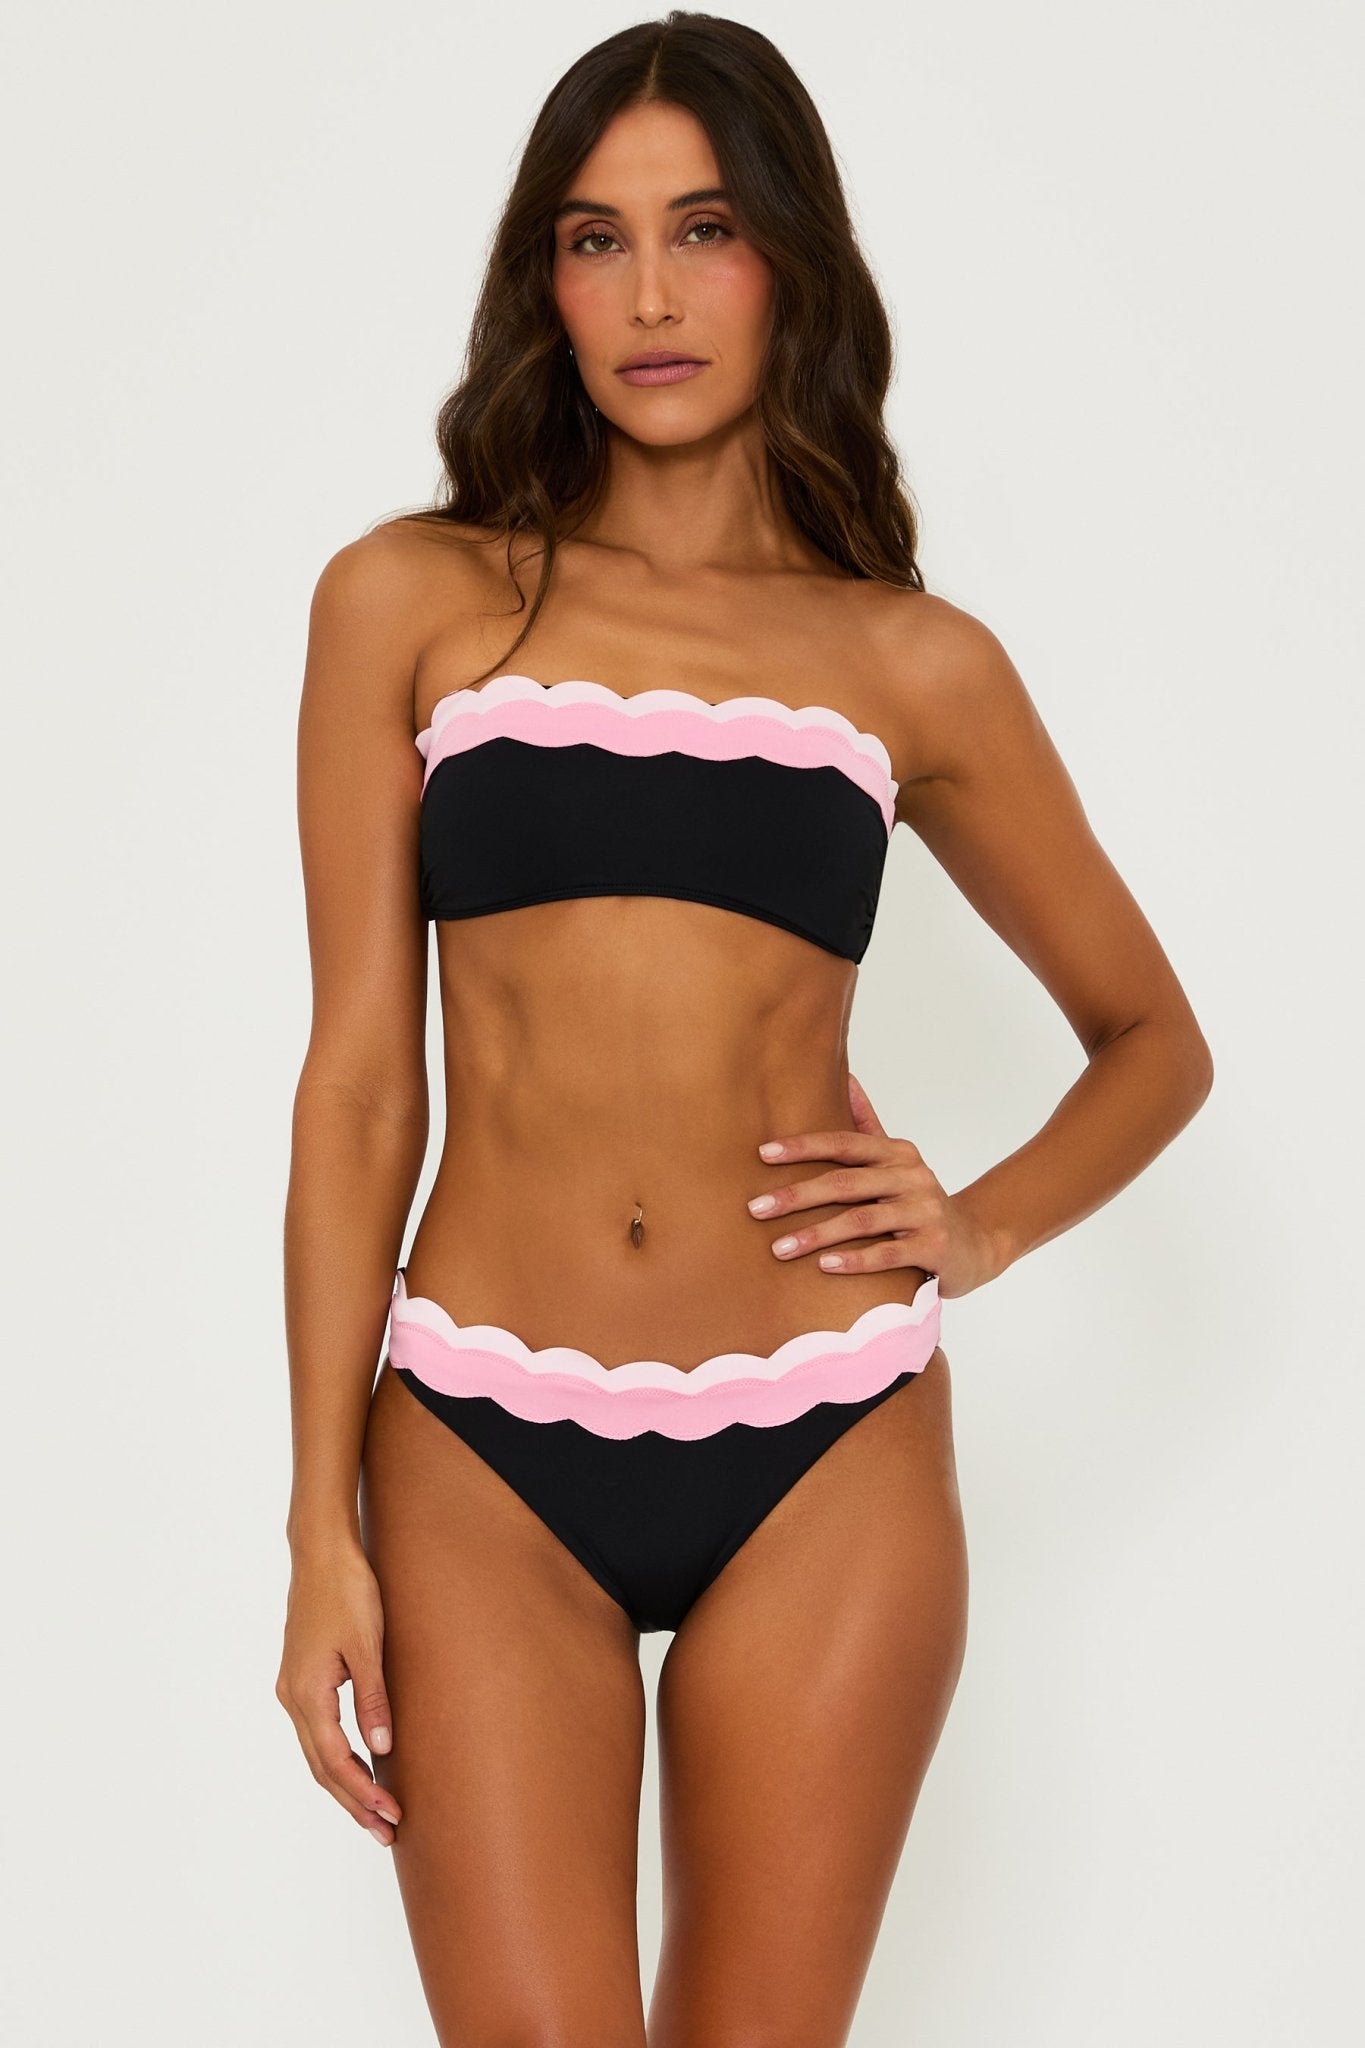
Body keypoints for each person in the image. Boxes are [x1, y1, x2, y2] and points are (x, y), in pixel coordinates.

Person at [275, 14, 1214, 2043]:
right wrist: (311, 1526)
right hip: (476, 1437)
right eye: (593, 239)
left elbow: (1151, 1035)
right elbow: (357, 1089)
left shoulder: (910, 663)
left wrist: (975, 1224)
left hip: (822, 1437)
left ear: (788, 257)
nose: (649, 293)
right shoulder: (408, 603)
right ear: (543, 281)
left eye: (702, 229)